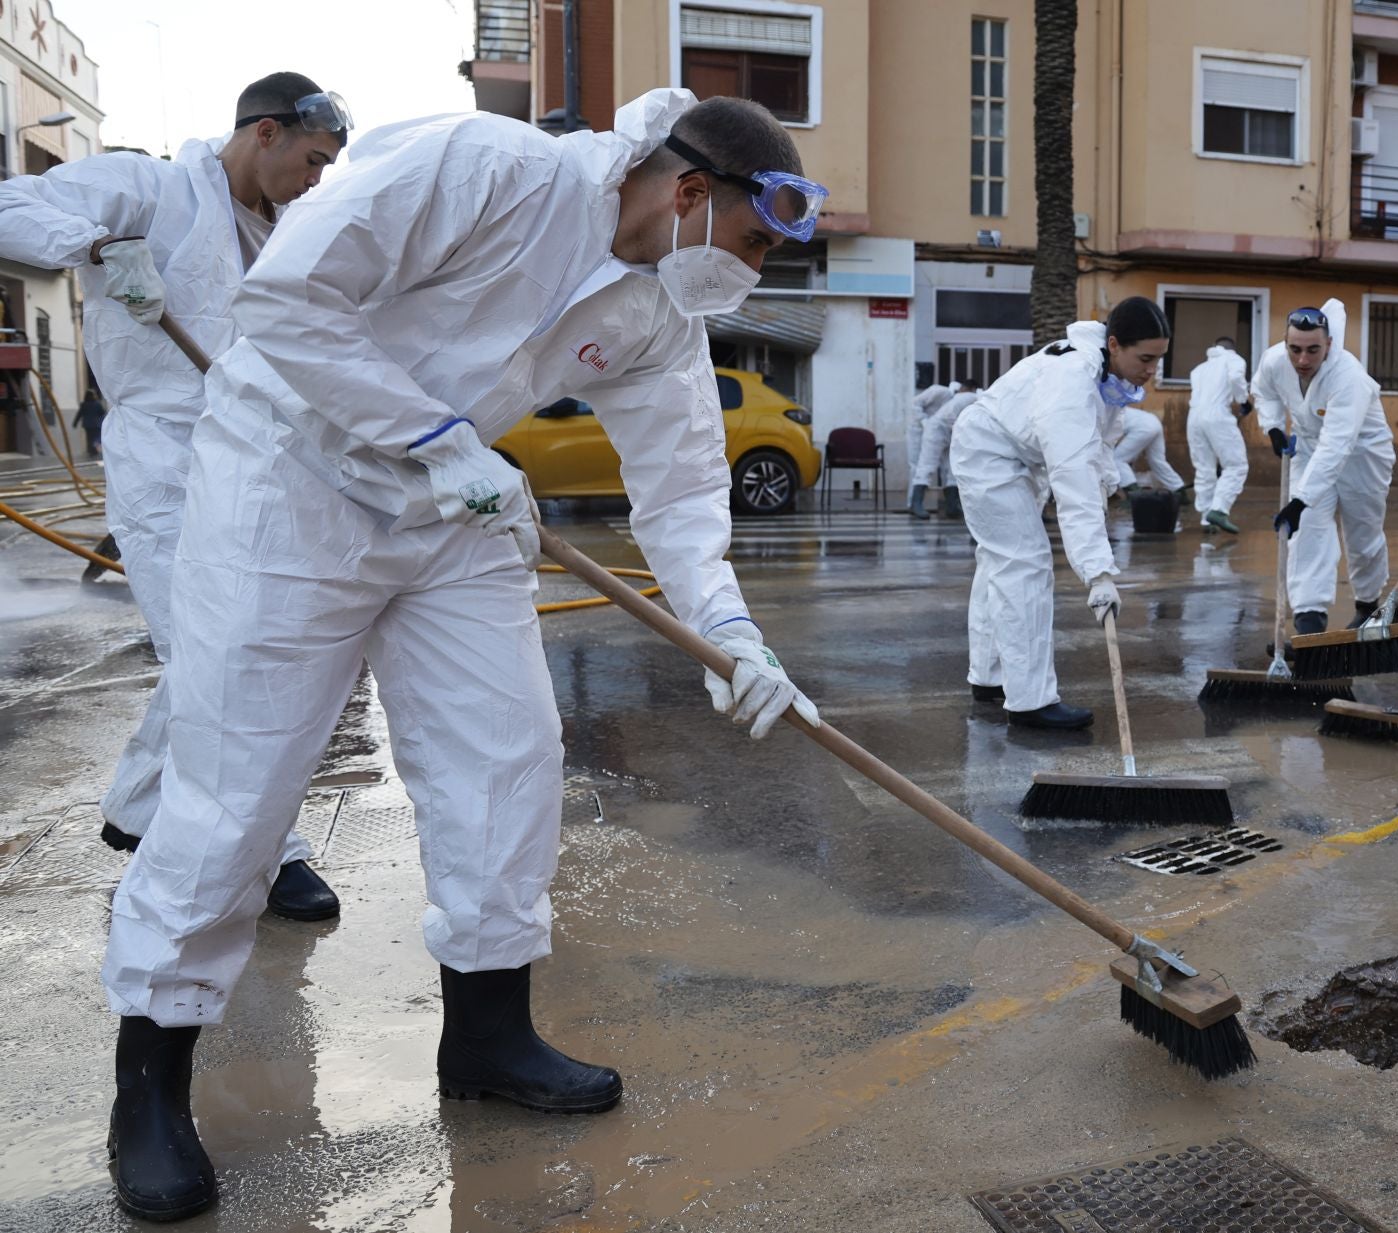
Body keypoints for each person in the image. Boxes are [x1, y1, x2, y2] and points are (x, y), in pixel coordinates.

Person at [94, 89, 828, 1222]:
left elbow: (681, 486)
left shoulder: (658, 310)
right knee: (239, 790)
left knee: (506, 761)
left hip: (457, 516)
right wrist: (431, 435)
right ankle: (151, 1078)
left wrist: (729, 633)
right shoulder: (487, 169)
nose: (756, 272)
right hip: (288, 483)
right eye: (754, 242)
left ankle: (488, 1037)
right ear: (689, 195)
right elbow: (286, 299)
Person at [0, 73, 349, 921]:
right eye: (311, 159)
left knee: (265, 647)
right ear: (264, 134)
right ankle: (273, 850)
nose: (316, 180)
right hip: (161, 461)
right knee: (209, 651)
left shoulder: (290, 234)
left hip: (256, 464)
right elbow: (10, 206)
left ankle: (136, 803)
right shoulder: (151, 190)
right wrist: (95, 246)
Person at [952, 297, 1168, 729]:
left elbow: (1099, 442)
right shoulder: (1073, 379)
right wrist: (1099, 574)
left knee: (999, 562)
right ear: (1114, 343)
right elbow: (1074, 480)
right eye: (1145, 358)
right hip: (988, 452)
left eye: (1160, 360)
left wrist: (1110, 480)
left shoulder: (1104, 372)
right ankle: (1030, 702)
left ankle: (991, 676)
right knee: (1024, 565)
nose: (1152, 371)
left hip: (1012, 453)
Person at [1251, 299, 1395, 634]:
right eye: (1295, 349)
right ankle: (1308, 625)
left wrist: (1300, 500)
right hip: (1309, 447)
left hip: (1362, 455)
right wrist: (1272, 426)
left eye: (1313, 350)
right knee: (1307, 534)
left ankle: (1367, 606)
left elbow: (1337, 445)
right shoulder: (1275, 360)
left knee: (1362, 534)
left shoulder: (1348, 377)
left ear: (1329, 344)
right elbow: (1264, 391)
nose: (1302, 359)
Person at [1185, 336, 1249, 533]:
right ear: (1232, 349)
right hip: (1218, 415)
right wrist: (1243, 400)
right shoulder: (1234, 359)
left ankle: (1207, 520)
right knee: (1236, 465)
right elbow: (1236, 378)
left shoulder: (1198, 369)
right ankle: (1219, 510)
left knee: (1204, 468)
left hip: (1194, 418)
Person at [907, 377, 980, 519]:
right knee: (925, 465)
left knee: (951, 469)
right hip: (929, 428)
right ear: (967, 389)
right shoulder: (940, 391)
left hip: (950, 430)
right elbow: (915, 404)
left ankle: (951, 507)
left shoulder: (961, 399)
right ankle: (915, 504)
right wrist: (923, 421)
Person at [1106, 404, 1185, 498]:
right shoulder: (1117, 408)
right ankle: (1179, 491)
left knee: (1117, 459)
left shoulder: (1105, 414)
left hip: (1142, 428)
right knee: (1157, 461)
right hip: (1154, 422)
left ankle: (1135, 495)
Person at [74, 386, 108, 458]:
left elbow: (79, 414)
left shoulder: (84, 404)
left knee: (89, 438)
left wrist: (75, 423)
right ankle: (94, 450)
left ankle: (91, 450)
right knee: (95, 437)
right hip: (95, 424)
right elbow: (102, 412)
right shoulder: (97, 404)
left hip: (87, 424)